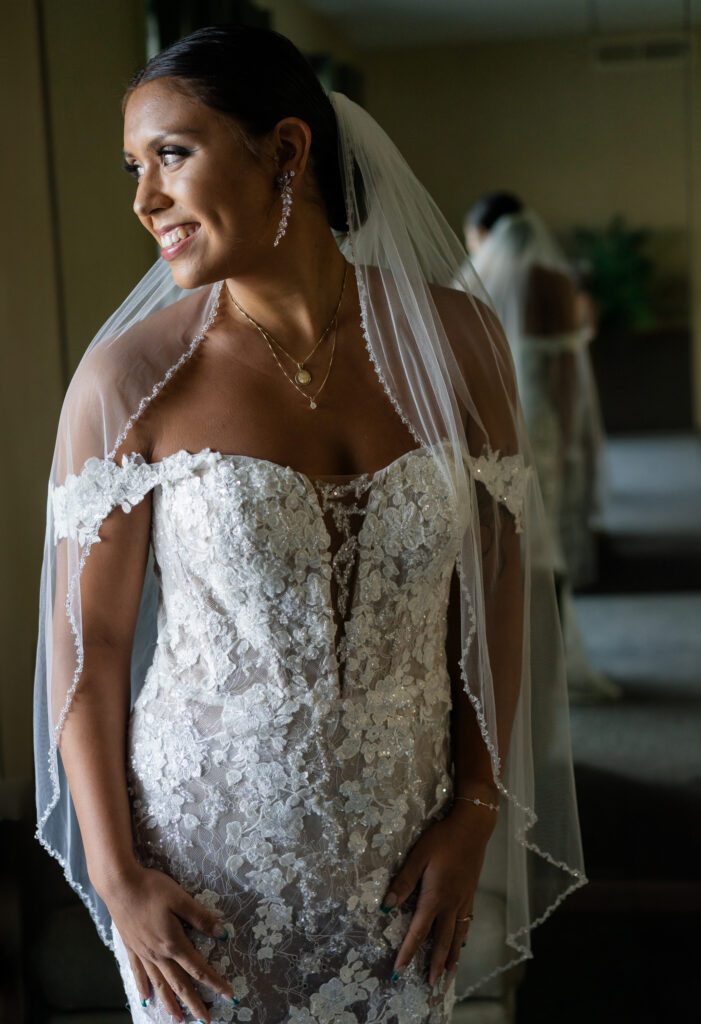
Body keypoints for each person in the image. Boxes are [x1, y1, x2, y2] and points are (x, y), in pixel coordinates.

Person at [34, 27, 586, 1024]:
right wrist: (116, 877)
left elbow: (493, 585)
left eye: (171, 154)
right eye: (133, 166)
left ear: (285, 150)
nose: (142, 199)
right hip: (202, 865)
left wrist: (473, 807)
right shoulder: (129, 380)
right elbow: (94, 640)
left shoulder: (458, 343)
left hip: (406, 850)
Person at [466, 193, 620, 703]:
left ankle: (510, 666)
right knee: (542, 536)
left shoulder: (476, 279)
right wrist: (575, 438)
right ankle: (550, 659)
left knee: (509, 538)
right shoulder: (553, 282)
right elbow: (567, 371)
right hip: (543, 421)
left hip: (494, 420)